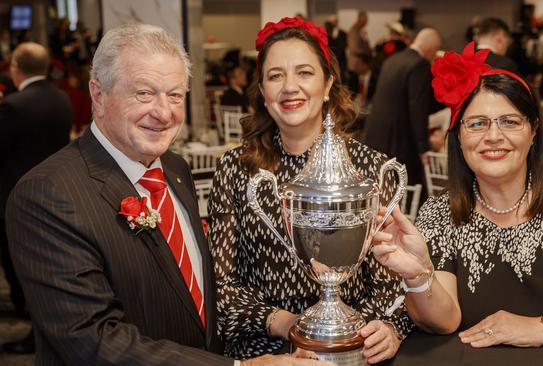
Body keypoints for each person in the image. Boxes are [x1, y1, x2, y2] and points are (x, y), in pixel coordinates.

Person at [4, 23, 327, 366]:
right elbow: (93, 342)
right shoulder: (47, 195)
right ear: (98, 95)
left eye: (175, 95)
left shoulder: (174, 168)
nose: (164, 112)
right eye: (144, 93)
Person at [371, 42, 543, 347]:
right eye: (477, 124)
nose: (493, 136)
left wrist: (540, 328)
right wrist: (419, 275)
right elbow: (443, 321)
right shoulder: (441, 212)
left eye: (510, 121)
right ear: (459, 137)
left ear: (533, 132)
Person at [209, 17, 411, 364]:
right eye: (275, 75)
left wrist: (387, 328)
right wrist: (287, 324)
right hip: (265, 352)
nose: (290, 87)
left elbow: (391, 284)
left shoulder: (371, 170)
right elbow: (221, 285)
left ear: (328, 83)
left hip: (350, 350)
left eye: (304, 72)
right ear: (262, 91)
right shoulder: (235, 168)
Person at [0, 42, 73, 354]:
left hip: (15, 196)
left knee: (19, 264)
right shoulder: (63, 99)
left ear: (16, 68)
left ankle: (34, 327)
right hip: (58, 193)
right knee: (48, 265)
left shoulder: (14, 105)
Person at [363, 28, 442, 198]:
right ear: (430, 49)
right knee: (411, 194)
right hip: (398, 140)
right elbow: (417, 107)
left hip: (376, 137)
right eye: (435, 52)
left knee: (382, 191)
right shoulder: (419, 64)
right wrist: (423, 147)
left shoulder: (393, 59)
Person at [347, 11, 372, 75]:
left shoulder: (361, 31)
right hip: (355, 65)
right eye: (365, 21)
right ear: (360, 19)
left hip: (360, 65)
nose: (366, 23)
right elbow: (353, 48)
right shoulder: (353, 31)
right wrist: (366, 53)